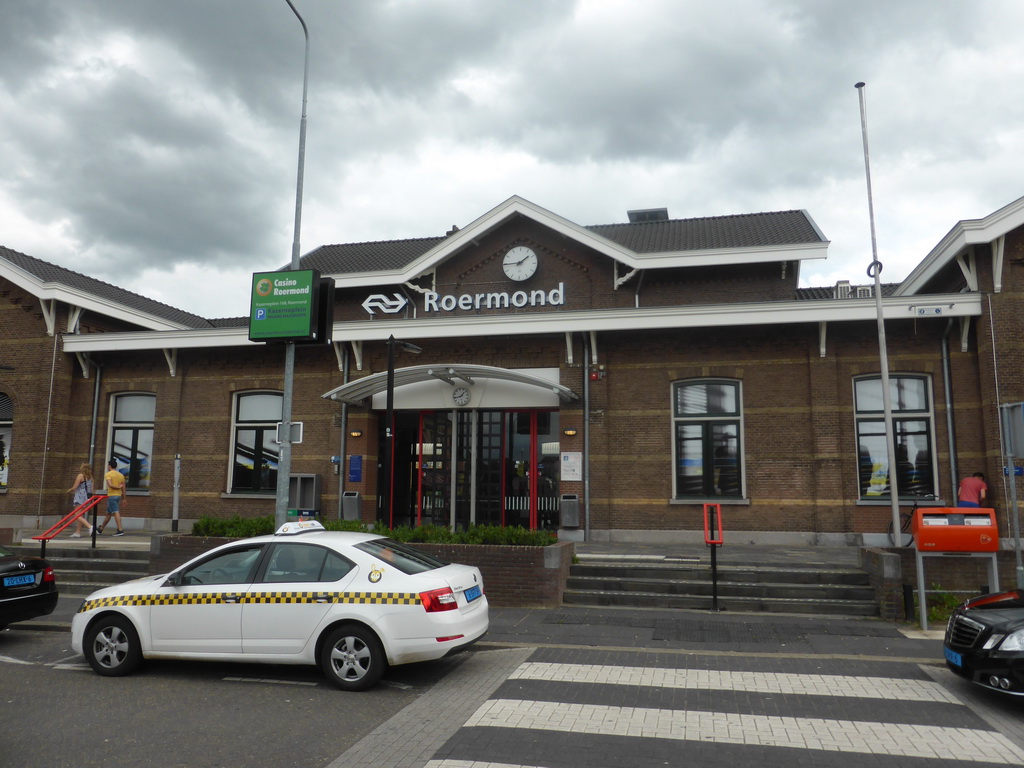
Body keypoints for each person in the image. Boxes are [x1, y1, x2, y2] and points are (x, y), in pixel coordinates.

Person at [97, 458, 126, 536]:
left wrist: (117, 487)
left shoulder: (108, 474)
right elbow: (123, 488)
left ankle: (120, 530)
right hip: (118, 496)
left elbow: (110, 485)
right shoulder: (121, 475)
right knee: (108, 513)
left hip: (112, 496)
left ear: (109, 466)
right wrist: (124, 498)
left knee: (116, 512)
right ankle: (100, 529)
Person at [67, 463, 95, 537]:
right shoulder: (91, 478)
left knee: (77, 515)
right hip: (87, 498)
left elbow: (75, 487)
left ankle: (90, 526)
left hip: (80, 496)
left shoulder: (80, 476)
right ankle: (78, 532)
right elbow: (92, 490)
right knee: (80, 515)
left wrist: (69, 490)